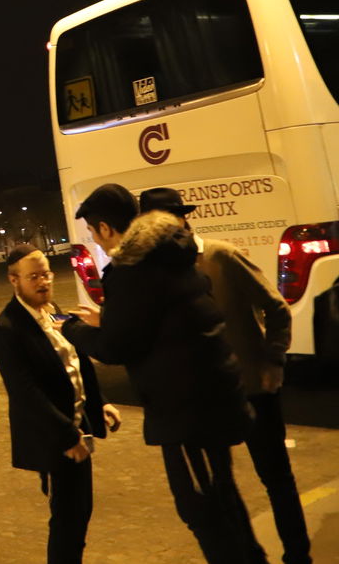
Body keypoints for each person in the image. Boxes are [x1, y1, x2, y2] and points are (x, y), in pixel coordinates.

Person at [67, 184, 263, 564]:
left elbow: (115, 348)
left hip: (187, 411)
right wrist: (107, 321)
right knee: (222, 495)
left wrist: (71, 330)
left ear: (106, 228)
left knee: (202, 507)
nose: (94, 239)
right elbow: (155, 322)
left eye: (93, 231)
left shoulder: (130, 270)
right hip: (211, 393)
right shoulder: (168, 254)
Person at [138, 187, 310, 564]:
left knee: (276, 479)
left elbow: (276, 308)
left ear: (184, 219)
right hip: (208, 400)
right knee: (221, 489)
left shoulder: (222, 257)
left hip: (253, 388)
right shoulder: (162, 273)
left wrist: (274, 361)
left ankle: (299, 556)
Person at [0, 244, 120, 564]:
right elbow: (25, 393)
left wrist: (99, 402)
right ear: (13, 281)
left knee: (78, 513)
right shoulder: (7, 330)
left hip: (76, 427)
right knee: (67, 519)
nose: (43, 282)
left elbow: (75, 362)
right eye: (33, 276)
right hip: (54, 437)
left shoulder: (54, 310)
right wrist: (67, 436)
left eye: (46, 274)